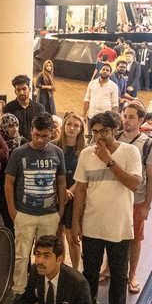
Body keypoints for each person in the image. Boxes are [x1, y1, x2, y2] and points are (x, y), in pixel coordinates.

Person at [72, 112, 142, 304]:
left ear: (115, 130)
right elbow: (80, 190)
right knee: (89, 273)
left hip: (119, 227)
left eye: (104, 131)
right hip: (92, 225)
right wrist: (75, 223)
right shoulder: (85, 154)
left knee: (119, 275)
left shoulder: (130, 152)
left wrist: (108, 161)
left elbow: (134, 184)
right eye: (95, 132)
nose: (99, 136)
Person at [5, 113, 66, 295]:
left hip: (49, 214)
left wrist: (60, 210)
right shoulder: (19, 153)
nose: (40, 140)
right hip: (24, 213)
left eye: (44, 136)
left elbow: (61, 182)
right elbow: (9, 182)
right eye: (36, 135)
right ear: (31, 131)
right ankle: (19, 290)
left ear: (52, 134)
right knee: (21, 255)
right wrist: (12, 211)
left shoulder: (57, 153)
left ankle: (43, 289)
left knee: (46, 255)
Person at [117, 103, 152, 294]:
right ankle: (109, 268)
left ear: (141, 120)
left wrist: (147, 205)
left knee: (135, 239)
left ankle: (131, 274)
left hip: (136, 199)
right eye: (125, 116)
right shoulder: (115, 138)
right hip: (115, 199)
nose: (127, 120)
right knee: (113, 235)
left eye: (132, 117)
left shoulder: (149, 144)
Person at [54, 112, 86, 269]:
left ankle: (75, 270)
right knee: (57, 235)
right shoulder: (53, 146)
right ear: (63, 126)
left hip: (74, 198)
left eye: (76, 125)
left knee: (72, 236)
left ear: (81, 129)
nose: (72, 128)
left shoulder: (85, 151)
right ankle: (61, 267)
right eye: (69, 124)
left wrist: (69, 192)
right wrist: (60, 191)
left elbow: (83, 177)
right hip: (56, 196)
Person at [4, 74, 46, 141]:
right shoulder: (8, 108)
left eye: (24, 89)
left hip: (35, 146)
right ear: (15, 91)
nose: (21, 92)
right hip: (15, 147)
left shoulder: (39, 108)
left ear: (29, 89)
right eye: (18, 90)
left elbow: (43, 129)